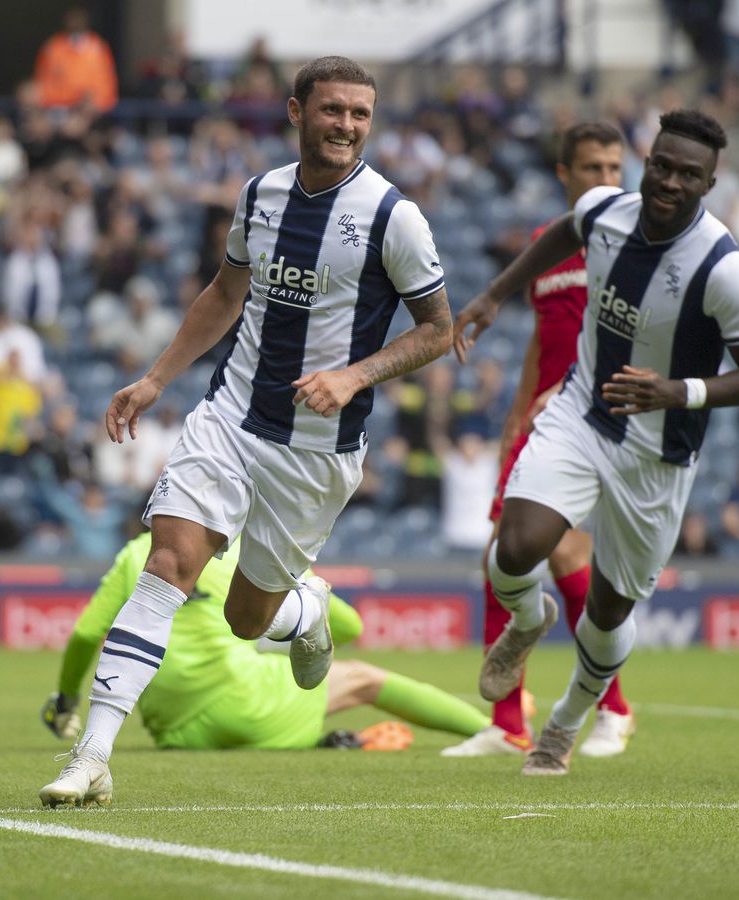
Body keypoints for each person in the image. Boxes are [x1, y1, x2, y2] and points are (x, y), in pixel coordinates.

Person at [39, 56, 452, 806]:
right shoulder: (259, 194)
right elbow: (225, 292)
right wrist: (157, 377)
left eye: (361, 114)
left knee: (244, 620)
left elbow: (437, 329)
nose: (348, 126)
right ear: (296, 113)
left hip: (318, 450)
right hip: (230, 415)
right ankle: (93, 755)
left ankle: (305, 609)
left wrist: (356, 376)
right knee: (167, 565)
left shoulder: (395, 217)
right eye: (333, 111)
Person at [453, 109, 739, 775]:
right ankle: (525, 621)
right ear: (647, 160)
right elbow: (561, 235)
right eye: (661, 165)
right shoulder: (607, 211)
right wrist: (494, 295)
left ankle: (563, 727)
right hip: (583, 413)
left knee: (606, 615)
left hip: (656, 456)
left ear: (708, 184)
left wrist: (679, 390)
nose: (668, 181)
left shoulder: (724, 269)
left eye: (688, 174)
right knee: (512, 549)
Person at [442, 122, 636, 760]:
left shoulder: (635, 247)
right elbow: (542, 339)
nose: (606, 180)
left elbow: (634, 342)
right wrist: (517, 415)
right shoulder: (543, 245)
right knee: (500, 557)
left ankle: (612, 707)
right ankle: (508, 724)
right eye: (592, 169)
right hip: (542, 421)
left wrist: (579, 387)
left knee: (564, 555)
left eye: (614, 168)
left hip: (598, 419)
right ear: (564, 175)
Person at [40, 533, 490, 804]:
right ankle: (492, 731)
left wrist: (65, 701)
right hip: (245, 705)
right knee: (362, 678)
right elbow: (350, 625)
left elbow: (84, 635)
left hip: (175, 732)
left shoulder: (137, 553)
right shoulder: (250, 550)